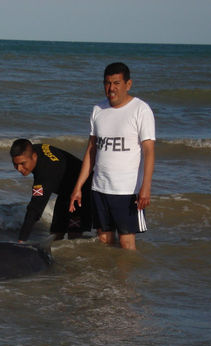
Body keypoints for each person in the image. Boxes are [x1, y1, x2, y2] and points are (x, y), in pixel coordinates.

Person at [69, 62, 155, 250]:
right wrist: (78, 187)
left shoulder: (141, 109)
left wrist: (146, 187)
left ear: (128, 84)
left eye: (116, 83)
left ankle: (126, 279)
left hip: (127, 190)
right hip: (100, 187)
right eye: (107, 83)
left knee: (126, 242)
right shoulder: (98, 110)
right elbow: (92, 150)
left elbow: (149, 151)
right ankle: (109, 280)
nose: (111, 88)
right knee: (104, 240)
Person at [10, 139, 92, 243]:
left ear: (34, 156)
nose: (19, 168)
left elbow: (35, 209)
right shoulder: (31, 150)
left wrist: (21, 240)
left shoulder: (45, 173)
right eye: (15, 164)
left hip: (84, 190)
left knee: (74, 235)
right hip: (66, 190)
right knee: (56, 233)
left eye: (22, 163)